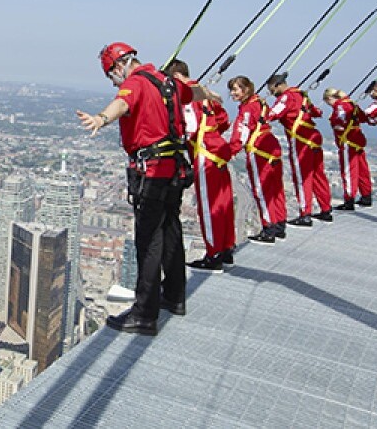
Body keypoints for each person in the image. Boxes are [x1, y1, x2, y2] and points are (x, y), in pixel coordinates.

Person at [77, 42, 208, 336]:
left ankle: (144, 314)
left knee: (148, 243)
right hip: (175, 167)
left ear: (119, 66)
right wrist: (211, 94)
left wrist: (101, 118)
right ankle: (174, 296)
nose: (113, 81)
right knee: (172, 230)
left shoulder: (135, 83)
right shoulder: (168, 81)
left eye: (111, 75)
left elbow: (121, 104)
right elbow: (195, 93)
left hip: (152, 172)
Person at [165, 60, 235, 273]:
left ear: (176, 77)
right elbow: (224, 120)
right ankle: (225, 248)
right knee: (223, 204)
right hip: (218, 151)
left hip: (205, 154)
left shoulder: (188, 96)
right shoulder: (206, 94)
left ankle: (213, 255)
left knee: (209, 206)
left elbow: (190, 127)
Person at [266, 74, 333, 227]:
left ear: (277, 85)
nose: (271, 93)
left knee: (303, 178)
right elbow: (315, 112)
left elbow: (272, 114)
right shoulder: (301, 95)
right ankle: (326, 209)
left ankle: (305, 214)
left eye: (271, 90)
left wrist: (259, 112)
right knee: (318, 175)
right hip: (314, 138)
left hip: (301, 141)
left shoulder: (285, 98)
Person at [227, 75, 286, 244]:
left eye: (236, 89)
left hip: (259, 151)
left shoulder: (246, 109)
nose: (233, 93)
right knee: (275, 188)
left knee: (261, 190)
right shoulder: (260, 102)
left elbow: (241, 133)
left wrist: (231, 151)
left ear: (245, 89)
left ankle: (269, 227)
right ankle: (279, 223)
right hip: (271, 147)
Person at [322, 88, 373, 210]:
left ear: (329, 99)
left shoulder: (340, 106)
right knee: (362, 169)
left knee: (349, 171)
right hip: (357, 140)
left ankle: (349, 199)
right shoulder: (352, 104)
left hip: (347, 141)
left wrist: (337, 124)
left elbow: (340, 118)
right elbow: (364, 118)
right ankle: (366, 196)